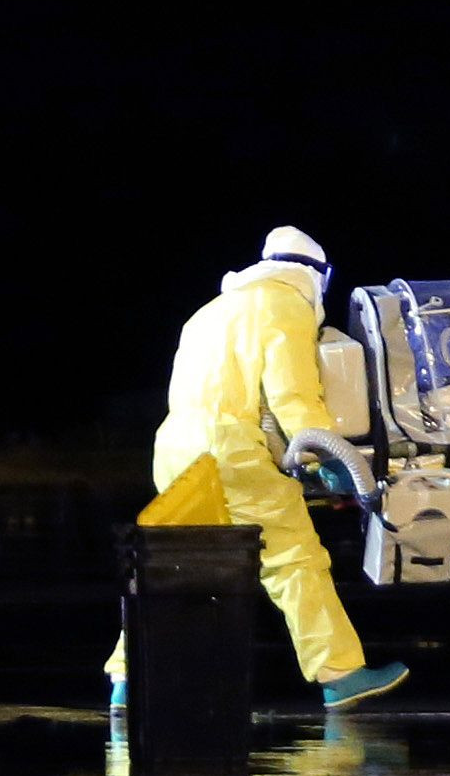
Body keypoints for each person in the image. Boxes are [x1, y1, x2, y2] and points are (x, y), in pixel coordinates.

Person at [115, 228, 407, 713]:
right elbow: (293, 398)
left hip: (173, 449)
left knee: (172, 567)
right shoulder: (284, 306)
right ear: (317, 274)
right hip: (233, 449)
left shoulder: (208, 312)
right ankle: (340, 672)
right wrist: (328, 459)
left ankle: (126, 679)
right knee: (293, 559)